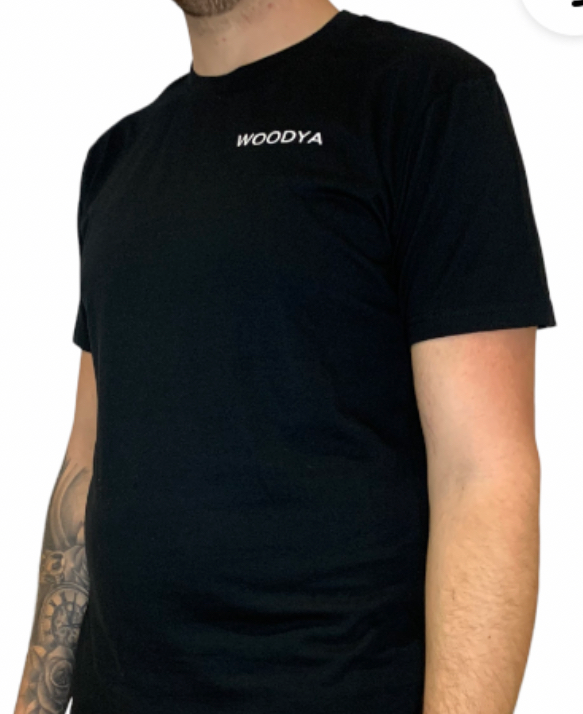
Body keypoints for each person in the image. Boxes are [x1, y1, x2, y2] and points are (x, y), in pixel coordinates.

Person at [13, 1, 557, 713]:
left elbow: (482, 474)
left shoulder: (424, 97)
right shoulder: (117, 159)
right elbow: (85, 460)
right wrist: (33, 704)